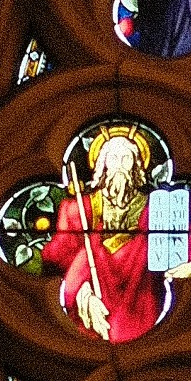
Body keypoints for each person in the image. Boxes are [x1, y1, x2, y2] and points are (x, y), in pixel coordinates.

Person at [34, 125, 169, 342]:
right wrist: (82, 291)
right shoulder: (79, 208)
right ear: (102, 165)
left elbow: (177, 243)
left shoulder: (155, 208)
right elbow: (58, 256)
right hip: (92, 294)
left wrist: (189, 262)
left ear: (137, 165)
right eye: (113, 158)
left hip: (142, 296)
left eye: (127, 158)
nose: (120, 165)